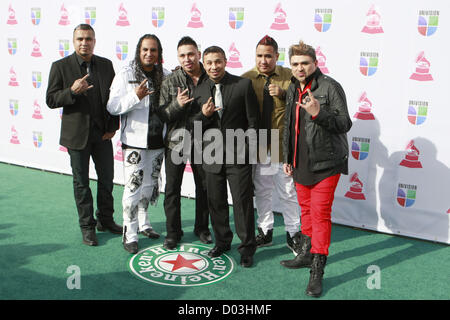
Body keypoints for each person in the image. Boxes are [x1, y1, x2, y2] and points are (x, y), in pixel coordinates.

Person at [280, 41, 352, 297]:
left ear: (315, 63)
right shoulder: (291, 87)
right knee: (306, 212)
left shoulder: (330, 87)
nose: (300, 68)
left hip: (326, 164)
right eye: (295, 64)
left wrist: (318, 113)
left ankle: (317, 270)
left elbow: (345, 123)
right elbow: (289, 124)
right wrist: (287, 156)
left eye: (305, 63)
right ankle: (307, 254)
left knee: (320, 215)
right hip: (300, 163)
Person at [46, 24, 122, 246]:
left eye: (88, 39)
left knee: (107, 179)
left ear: (94, 41)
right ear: (73, 41)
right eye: (80, 38)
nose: (84, 42)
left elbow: (114, 98)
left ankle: (106, 220)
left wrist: (113, 127)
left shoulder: (106, 65)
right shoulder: (60, 67)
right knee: (81, 183)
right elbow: (51, 99)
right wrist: (71, 91)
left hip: (102, 135)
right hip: (77, 136)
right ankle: (87, 227)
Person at [197, 46, 260, 268]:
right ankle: (222, 242)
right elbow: (193, 124)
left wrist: (250, 152)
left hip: (239, 155)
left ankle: (247, 248)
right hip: (210, 155)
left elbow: (253, 121)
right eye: (209, 62)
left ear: (225, 61)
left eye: (218, 61)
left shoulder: (242, 85)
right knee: (216, 202)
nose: (214, 66)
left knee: (242, 204)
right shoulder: (199, 88)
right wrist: (203, 116)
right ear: (203, 64)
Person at [107, 34, 170, 254]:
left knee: (150, 187)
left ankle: (144, 224)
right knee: (133, 188)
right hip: (134, 143)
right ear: (138, 50)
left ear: (159, 53)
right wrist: (135, 95)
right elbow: (112, 106)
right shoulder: (125, 74)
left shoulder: (167, 74)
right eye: (145, 50)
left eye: (153, 50)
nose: (149, 54)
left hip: (158, 142)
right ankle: (130, 233)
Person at [242, 35, 301, 254]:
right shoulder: (246, 78)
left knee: (287, 191)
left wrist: (285, 94)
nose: (263, 60)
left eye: (268, 56)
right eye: (259, 56)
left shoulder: (290, 76)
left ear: (277, 56)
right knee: (263, 191)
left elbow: (304, 102)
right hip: (258, 147)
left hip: (280, 145)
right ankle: (265, 231)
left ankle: (293, 234)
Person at [158, 36, 212, 250]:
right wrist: (177, 105)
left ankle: (202, 228)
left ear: (199, 54)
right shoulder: (170, 80)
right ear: (178, 57)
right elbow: (162, 114)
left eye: (191, 54)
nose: (187, 59)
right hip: (176, 142)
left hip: (206, 141)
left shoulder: (211, 77)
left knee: (205, 188)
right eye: (182, 55)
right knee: (172, 189)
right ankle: (173, 232)